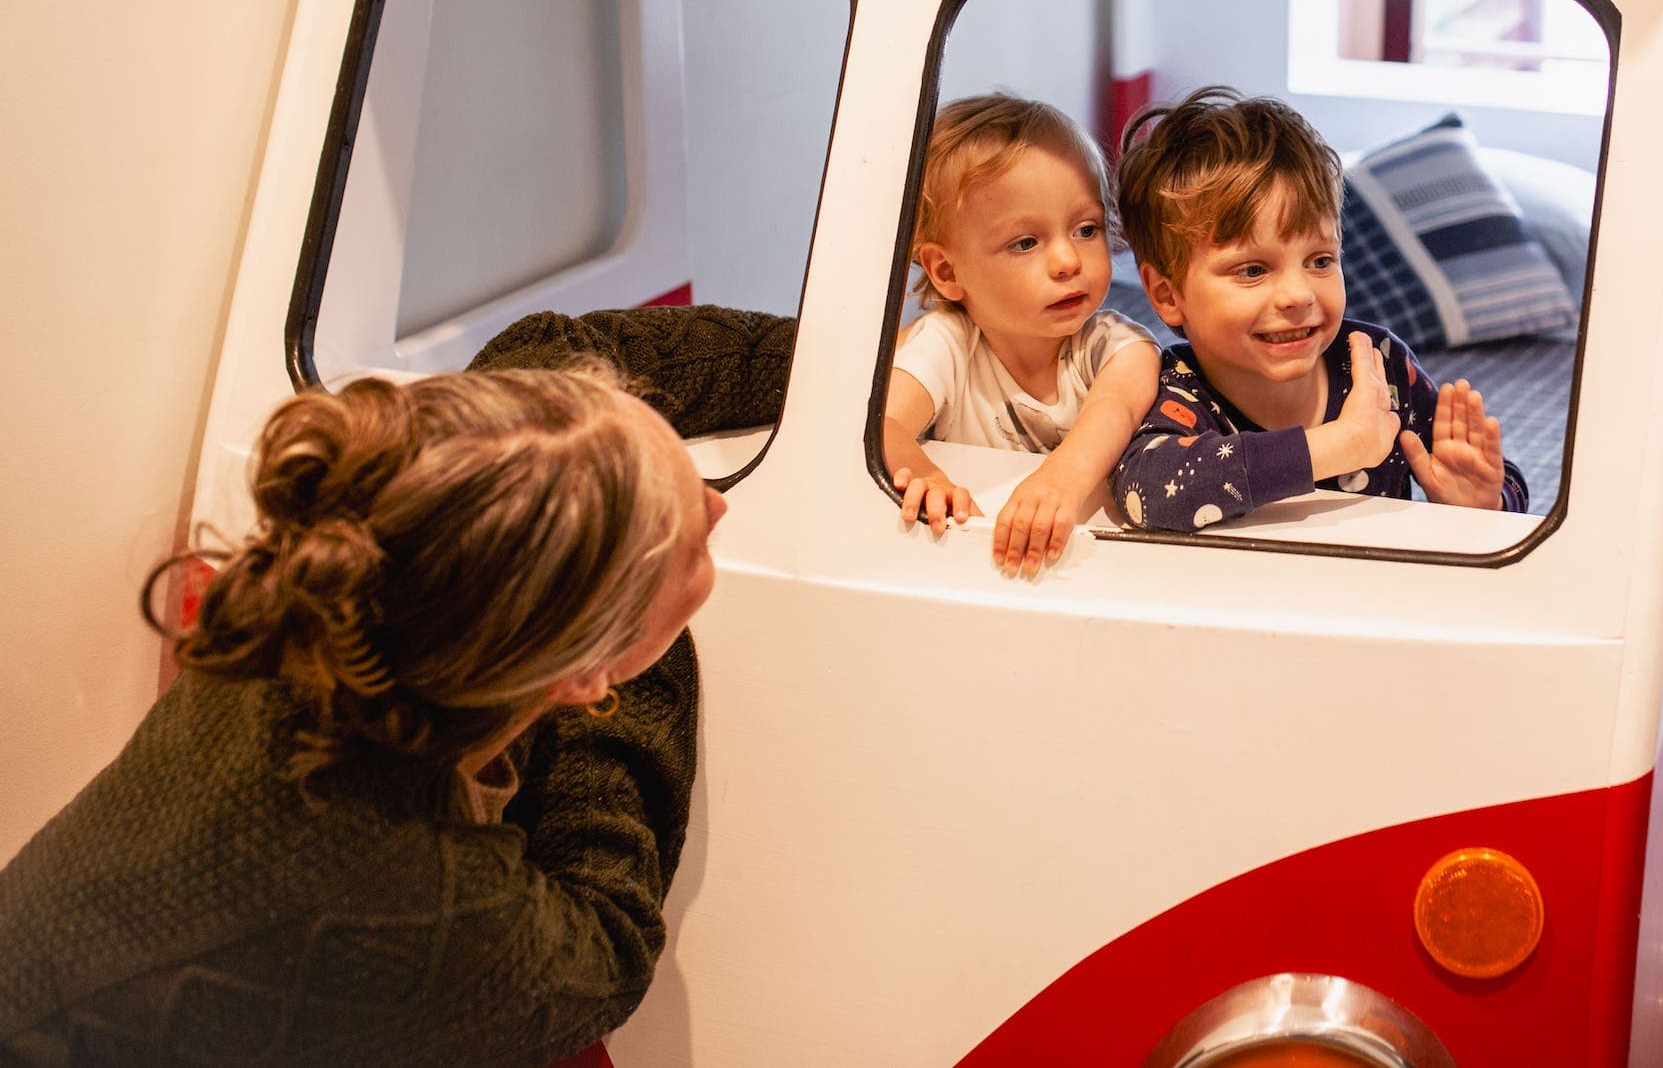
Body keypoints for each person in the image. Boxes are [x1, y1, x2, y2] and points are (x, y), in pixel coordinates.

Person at [0, 355, 733, 1067]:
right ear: (579, 669)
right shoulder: (430, 908)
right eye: (697, 545)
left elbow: (548, 339)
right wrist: (616, 691)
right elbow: (609, 947)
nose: (721, 503)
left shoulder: (301, 621)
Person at [1109, 86, 1527, 530]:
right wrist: (1339, 446)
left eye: (1320, 261)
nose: (1299, 295)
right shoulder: (1176, 392)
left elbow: (1506, 486)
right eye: (1252, 270)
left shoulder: (1376, 364)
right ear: (1167, 295)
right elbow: (1147, 493)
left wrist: (1482, 503)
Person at [881, 93, 1160, 575]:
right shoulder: (947, 343)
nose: (1069, 261)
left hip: (1096, 567)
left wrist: (1060, 481)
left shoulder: (1117, 348)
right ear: (948, 271)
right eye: (1026, 242)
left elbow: (1115, 408)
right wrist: (923, 475)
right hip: (975, 563)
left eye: (1086, 229)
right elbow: (881, 426)